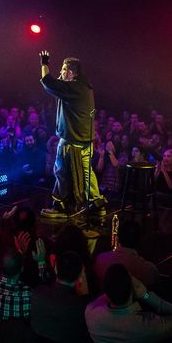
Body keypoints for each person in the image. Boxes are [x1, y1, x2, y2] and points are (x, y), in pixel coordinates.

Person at [38, 51, 106, 218]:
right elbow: (57, 85)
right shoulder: (83, 85)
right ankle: (97, 204)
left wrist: (44, 64)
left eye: (63, 69)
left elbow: (48, 82)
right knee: (87, 174)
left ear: (70, 72)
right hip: (84, 141)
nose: (60, 72)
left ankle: (60, 206)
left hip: (71, 141)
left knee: (61, 172)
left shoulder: (74, 87)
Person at [85, 264, 172, 343]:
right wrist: (145, 294)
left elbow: (108, 293)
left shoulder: (90, 313)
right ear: (132, 289)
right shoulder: (146, 327)